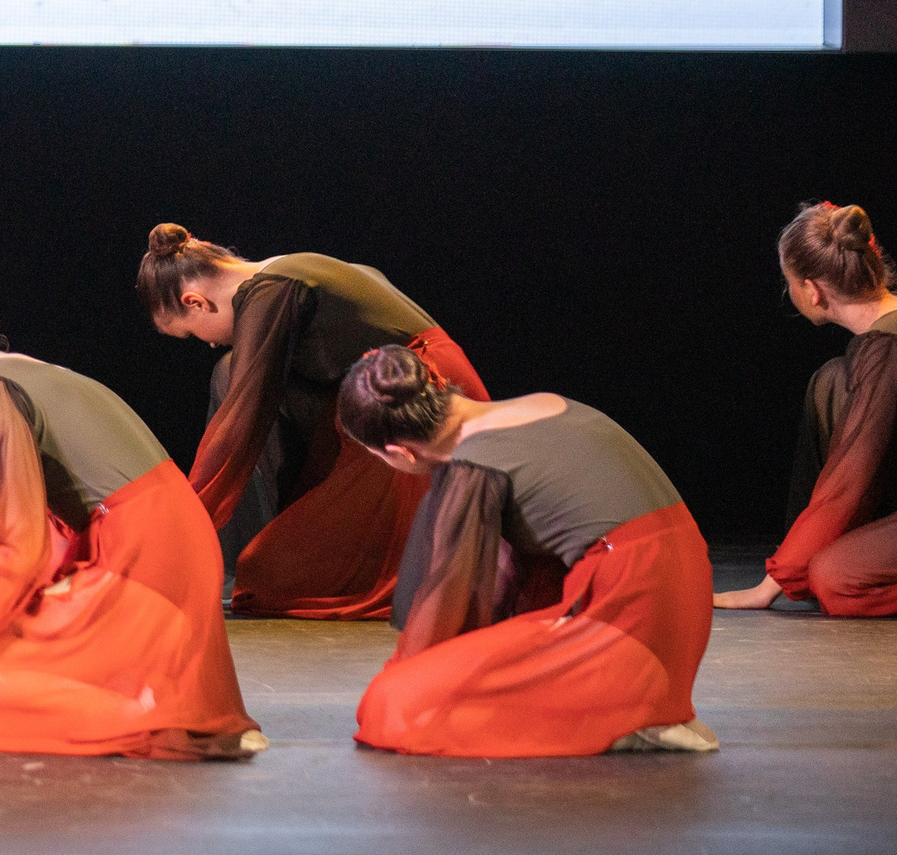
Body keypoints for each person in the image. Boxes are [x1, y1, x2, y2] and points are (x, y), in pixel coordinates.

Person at [0, 233, 262, 760]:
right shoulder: (15, 370)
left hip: (144, 572)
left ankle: (143, 704)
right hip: (161, 554)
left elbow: (20, 543)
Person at [342, 346, 717, 757]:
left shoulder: (474, 465)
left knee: (393, 701)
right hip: (683, 581)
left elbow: (451, 598)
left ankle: (629, 714)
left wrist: (411, 674)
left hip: (632, 604)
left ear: (401, 452)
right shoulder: (545, 402)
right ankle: (640, 704)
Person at [138, 224, 489, 619]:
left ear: (196, 301)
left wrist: (178, 531)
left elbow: (239, 422)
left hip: (416, 404)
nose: (211, 342)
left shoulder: (270, 290)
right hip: (390, 395)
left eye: (191, 333)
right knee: (228, 370)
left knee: (272, 576)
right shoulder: (291, 268)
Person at [717, 201, 897, 616]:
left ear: (812, 290)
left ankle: (804, 565)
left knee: (835, 578)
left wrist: (770, 584)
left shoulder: (886, 348)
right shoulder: (873, 345)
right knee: (831, 381)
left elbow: (850, 479)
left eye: (790, 284)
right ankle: (806, 559)